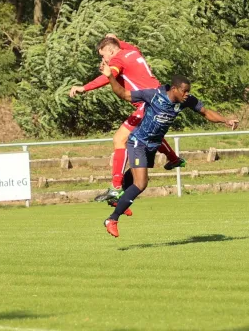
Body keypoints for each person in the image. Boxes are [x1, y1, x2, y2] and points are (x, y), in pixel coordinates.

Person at [99, 62, 239, 238]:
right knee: (141, 183)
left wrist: (225, 121)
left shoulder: (185, 101)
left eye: (188, 91)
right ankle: (112, 219)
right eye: (184, 91)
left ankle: (118, 200)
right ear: (174, 89)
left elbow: (206, 112)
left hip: (152, 146)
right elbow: (124, 94)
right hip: (138, 143)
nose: (187, 95)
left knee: (132, 179)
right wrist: (110, 76)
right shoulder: (153, 95)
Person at [69, 35, 185, 206]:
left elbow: (107, 77)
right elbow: (123, 46)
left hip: (149, 103)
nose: (104, 59)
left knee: (119, 139)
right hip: (160, 99)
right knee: (148, 134)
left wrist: (83, 88)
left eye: (103, 55)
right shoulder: (132, 51)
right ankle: (173, 158)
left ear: (110, 50)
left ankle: (116, 187)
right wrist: (116, 40)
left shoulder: (118, 58)